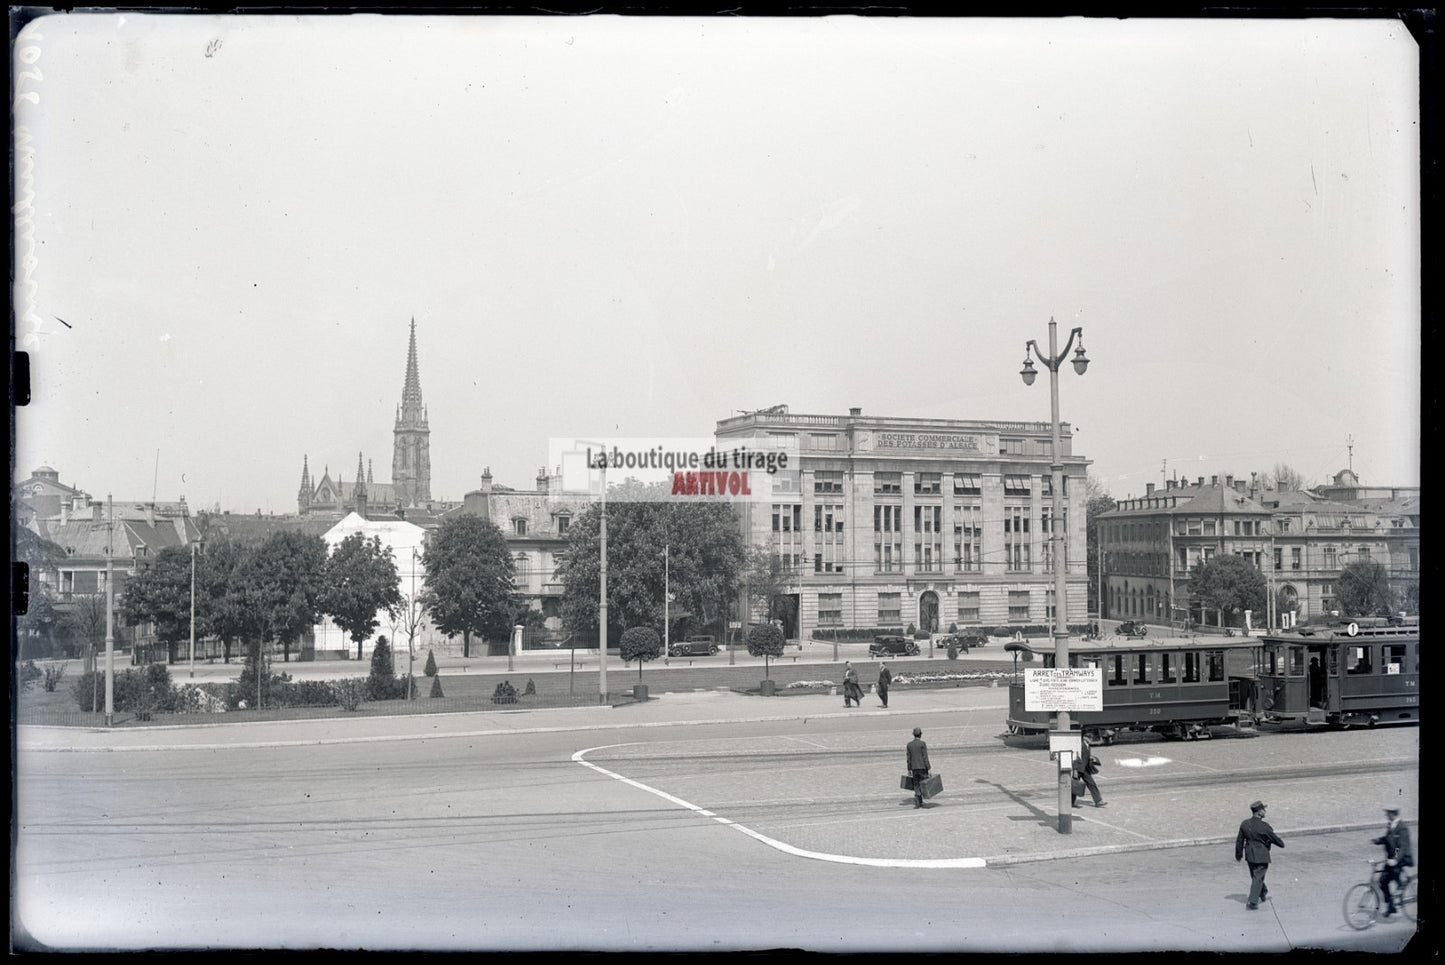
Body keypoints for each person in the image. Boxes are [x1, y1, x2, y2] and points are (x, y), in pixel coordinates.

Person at [1235, 800, 1285, 910]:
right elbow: (1274, 838)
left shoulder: (1245, 824)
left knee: (1256, 876)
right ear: (1259, 812)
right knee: (1257, 877)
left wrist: (1239, 854)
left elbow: (1239, 840)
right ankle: (1253, 901)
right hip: (1262, 855)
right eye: (1263, 810)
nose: (1265, 811)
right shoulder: (1264, 826)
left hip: (1250, 855)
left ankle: (1263, 892)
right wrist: (1281, 844)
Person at [1373, 806, 1414, 917]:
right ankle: (1391, 907)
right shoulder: (1391, 825)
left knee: (1394, 873)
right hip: (1392, 858)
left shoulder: (1402, 827)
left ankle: (1401, 886)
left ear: (1393, 814)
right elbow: (1388, 839)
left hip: (1401, 858)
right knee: (1382, 882)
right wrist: (1377, 841)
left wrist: (1395, 859)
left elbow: (1402, 847)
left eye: (1387, 813)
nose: (1386, 815)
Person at [1071, 735, 1106, 808]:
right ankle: (1071, 802)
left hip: (1085, 769)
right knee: (1075, 786)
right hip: (1079, 769)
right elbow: (1075, 758)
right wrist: (1075, 770)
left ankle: (1098, 801)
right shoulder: (1080, 746)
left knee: (1091, 784)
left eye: (1091, 738)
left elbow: (1085, 756)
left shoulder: (1087, 745)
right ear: (1084, 738)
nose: (1091, 739)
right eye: (1089, 738)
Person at [905, 727, 931, 809]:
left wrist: (909, 769)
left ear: (913, 735)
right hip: (923, 767)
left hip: (914, 768)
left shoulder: (909, 745)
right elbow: (925, 757)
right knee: (923, 783)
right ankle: (921, 801)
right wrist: (929, 768)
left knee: (916, 784)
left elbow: (908, 758)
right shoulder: (922, 744)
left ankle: (918, 802)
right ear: (920, 735)